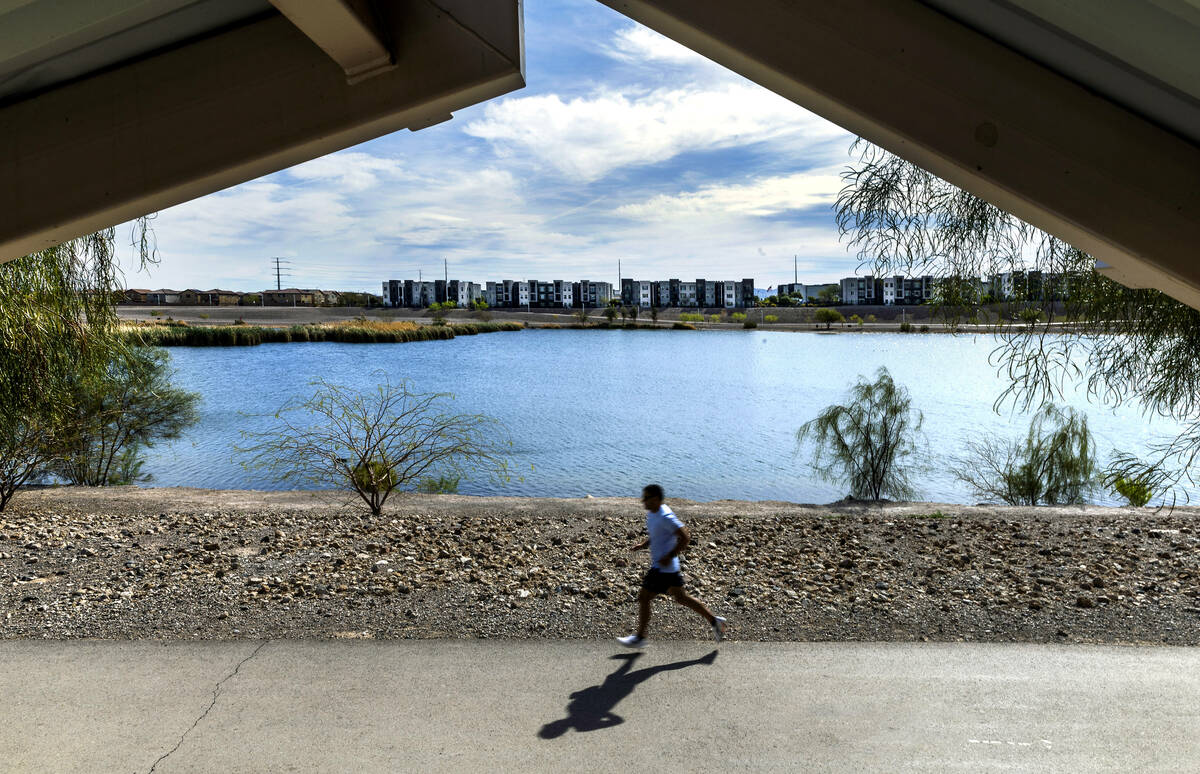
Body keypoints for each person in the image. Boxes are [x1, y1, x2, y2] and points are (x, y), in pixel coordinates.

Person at [617, 484, 726, 648]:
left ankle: (640, 637)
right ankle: (714, 621)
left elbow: (685, 537)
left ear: (655, 499)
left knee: (644, 597)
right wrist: (644, 544)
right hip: (668, 568)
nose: (643, 500)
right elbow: (657, 534)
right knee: (681, 598)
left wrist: (669, 556)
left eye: (646, 498)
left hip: (663, 568)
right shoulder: (653, 513)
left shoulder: (665, 516)